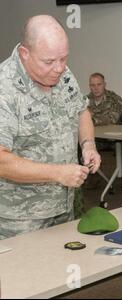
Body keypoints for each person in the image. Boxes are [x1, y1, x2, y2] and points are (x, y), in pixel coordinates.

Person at [0, 15, 101, 239]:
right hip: (20, 218)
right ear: (25, 54)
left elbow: (81, 110)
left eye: (64, 59)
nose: (59, 68)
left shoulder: (62, 73)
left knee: (61, 268)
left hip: (63, 206)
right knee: (25, 273)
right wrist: (57, 174)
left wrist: (88, 144)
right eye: (49, 62)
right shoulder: (4, 89)